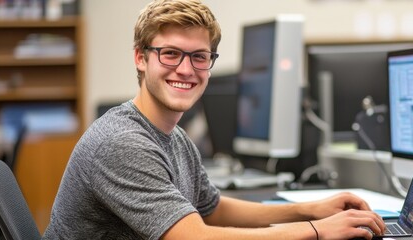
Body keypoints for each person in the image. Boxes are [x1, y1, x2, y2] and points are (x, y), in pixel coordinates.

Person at [44, 0, 386, 239]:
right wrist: (316, 231)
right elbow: (196, 236)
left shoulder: (174, 137)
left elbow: (212, 209)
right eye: (171, 53)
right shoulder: (123, 142)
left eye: (199, 57)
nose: (186, 69)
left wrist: (311, 210)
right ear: (140, 58)